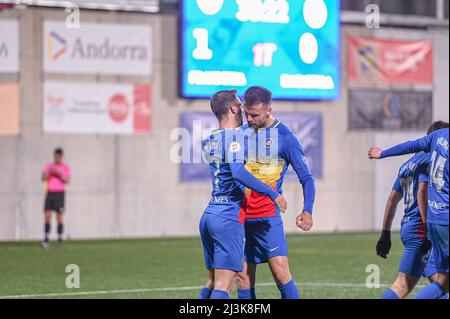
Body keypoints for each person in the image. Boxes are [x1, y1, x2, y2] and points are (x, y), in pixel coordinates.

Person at [198, 89, 288, 299]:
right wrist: (272, 193)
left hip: (209, 214)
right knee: (223, 284)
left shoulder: (210, 139)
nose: (243, 112)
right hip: (228, 215)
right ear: (233, 108)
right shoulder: (234, 138)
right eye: (240, 105)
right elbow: (238, 173)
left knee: (211, 281)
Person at [236, 86, 316, 299]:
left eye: (255, 114)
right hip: (240, 215)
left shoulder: (286, 137)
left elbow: (307, 178)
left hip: (267, 216)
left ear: (269, 110)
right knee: (242, 277)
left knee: (281, 274)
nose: (250, 119)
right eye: (247, 114)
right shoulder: (240, 134)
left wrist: (307, 210)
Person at [369, 122, 449, 299]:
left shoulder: (407, 164)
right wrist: (425, 225)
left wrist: (385, 233)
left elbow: (392, 200)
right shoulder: (430, 159)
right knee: (405, 284)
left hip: (409, 226)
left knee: (436, 279)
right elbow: (422, 191)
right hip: (423, 226)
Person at [41, 147, 71, 249]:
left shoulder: (65, 167)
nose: (58, 158)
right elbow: (43, 177)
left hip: (60, 194)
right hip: (50, 193)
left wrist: (58, 172)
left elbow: (67, 180)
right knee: (47, 215)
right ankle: (46, 238)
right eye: (56, 156)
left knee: (59, 216)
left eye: (60, 156)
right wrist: (50, 172)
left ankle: (59, 238)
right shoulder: (49, 166)